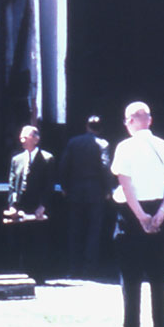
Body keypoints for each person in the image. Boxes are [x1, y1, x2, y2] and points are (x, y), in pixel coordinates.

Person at [110, 101, 164, 327]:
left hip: (132, 215)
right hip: (160, 212)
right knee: (159, 275)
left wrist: (141, 216)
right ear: (149, 120)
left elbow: (125, 184)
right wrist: (161, 213)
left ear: (130, 120)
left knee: (130, 278)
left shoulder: (124, 147)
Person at [59, 115, 111, 280]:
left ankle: (74, 267)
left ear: (87, 127)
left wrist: (64, 186)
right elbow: (105, 166)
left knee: (75, 230)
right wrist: (108, 189)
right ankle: (90, 269)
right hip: (95, 192)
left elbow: (64, 165)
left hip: (75, 191)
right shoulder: (103, 144)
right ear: (100, 129)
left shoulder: (73, 142)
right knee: (93, 231)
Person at [7, 124, 55, 285]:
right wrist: (12, 205)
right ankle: (23, 274)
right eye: (20, 136)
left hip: (37, 207)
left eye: (25, 136)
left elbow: (49, 185)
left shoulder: (47, 159)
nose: (21, 140)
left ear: (35, 139)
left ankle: (39, 275)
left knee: (38, 241)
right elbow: (12, 183)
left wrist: (43, 206)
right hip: (21, 206)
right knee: (22, 240)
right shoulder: (16, 159)